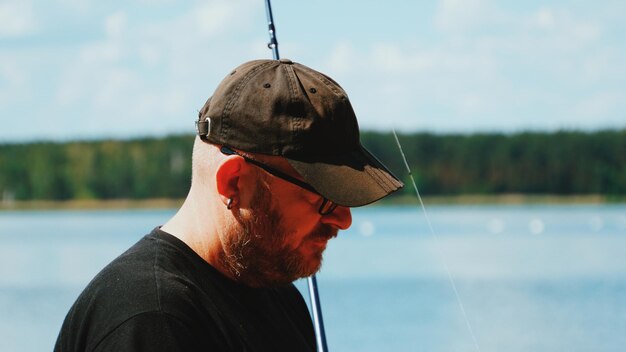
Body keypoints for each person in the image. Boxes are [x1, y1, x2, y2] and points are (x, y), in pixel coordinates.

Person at [54, 58, 403, 351]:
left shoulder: (280, 298)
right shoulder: (152, 321)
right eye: (324, 199)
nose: (343, 220)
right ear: (234, 181)